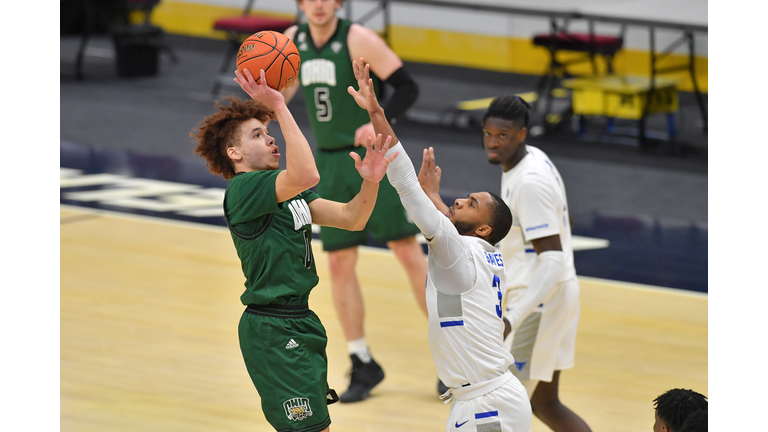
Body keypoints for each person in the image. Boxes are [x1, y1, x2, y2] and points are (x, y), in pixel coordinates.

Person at [190, 67, 398, 432]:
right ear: (234, 152)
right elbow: (307, 174)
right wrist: (280, 107)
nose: (272, 141)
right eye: (259, 135)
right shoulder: (244, 189)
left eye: (269, 133)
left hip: (301, 321)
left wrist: (371, 181)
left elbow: (352, 218)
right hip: (271, 327)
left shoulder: (289, 194)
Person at [349, 57, 533, 431]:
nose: (461, 200)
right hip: (484, 398)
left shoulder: (460, 252)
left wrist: (376, 111)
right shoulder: (484, 254)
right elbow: (449, 237)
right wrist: (435, 202)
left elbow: (402, 180)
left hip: (486, 405)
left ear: (483, 229)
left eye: (473, 204)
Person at [282, 0, 431, 402]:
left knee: (406, 251)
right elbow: (286, 92)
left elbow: (408, 86)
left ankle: (453, 353)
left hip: (374, 156)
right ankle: (361, 360)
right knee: (338, 260)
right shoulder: (292, 43)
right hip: (329, 164)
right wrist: (269, 93)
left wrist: (377, 118)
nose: (317, 4)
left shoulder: (358, 38)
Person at [479, 95, 591, 432]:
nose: (494, 143)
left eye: (504, 135)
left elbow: (553, 259)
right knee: (543, 403)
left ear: (522, 134)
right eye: (489, 134)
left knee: (500, 408)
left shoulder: (529, 182)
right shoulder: (526, 163)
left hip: (540, 303)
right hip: (549, 296)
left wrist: (513, 318)